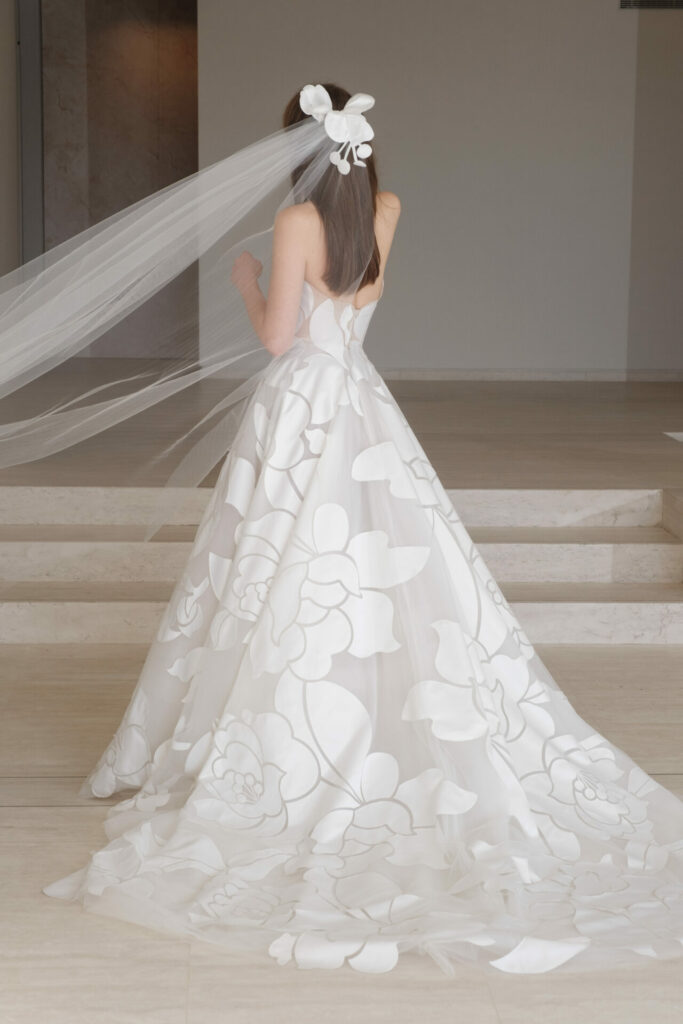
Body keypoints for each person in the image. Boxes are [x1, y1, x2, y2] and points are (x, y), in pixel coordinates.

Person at [38, 84, 683, 977]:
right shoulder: (386, 210)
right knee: (383, 559)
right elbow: (353, 310)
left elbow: (278, 340)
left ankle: (289, 727)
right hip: (360, 403)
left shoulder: (293, 221)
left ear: (296, 150)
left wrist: (247, 281)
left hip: (300, 404)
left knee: (275, 561)